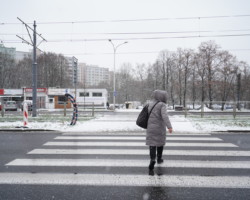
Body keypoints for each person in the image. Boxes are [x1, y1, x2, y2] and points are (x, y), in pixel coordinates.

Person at [146, 90, 173, 174]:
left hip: (150, 127)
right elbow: (164, 116)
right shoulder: (162, 105)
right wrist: (169, 126)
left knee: (152, 144)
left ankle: (152, 159)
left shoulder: (149, 104)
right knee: (160, 143)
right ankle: (159, 158)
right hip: (159, 128)